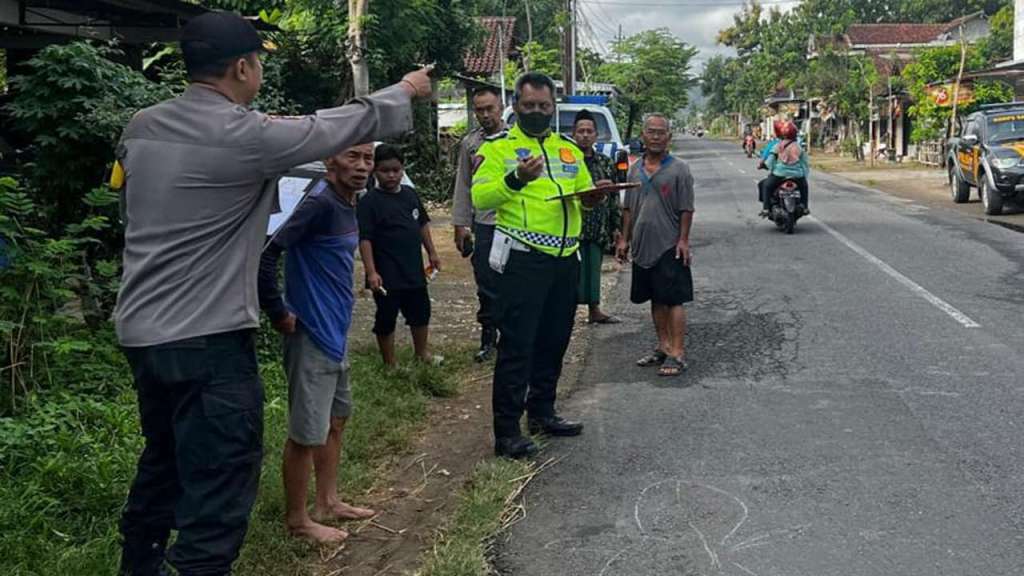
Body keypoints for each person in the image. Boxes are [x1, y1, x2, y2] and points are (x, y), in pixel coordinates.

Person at [111, 10, 430, 575]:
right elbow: (336, 126)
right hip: (207, 341)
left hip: (143, 335)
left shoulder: (141, 127)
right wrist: (406, 88)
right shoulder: (245, 136)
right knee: (220, 486)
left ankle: (140, 563)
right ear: (242, 66)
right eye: (258, 61)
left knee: (164, 461)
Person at [471, 72, 606, 459]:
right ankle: (508, 431)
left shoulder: (568, 149)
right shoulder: (498, 148)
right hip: (523, 259)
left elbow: (581, 191)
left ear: (553, 108)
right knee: (517, 345)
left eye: (543, 106)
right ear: (515, 106)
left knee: (554, 340)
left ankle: (543, 412)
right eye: (528, 106)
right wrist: (514, 179)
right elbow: (481, 197)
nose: (536, 112)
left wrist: (592, 199)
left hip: (565, 260)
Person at [257, 144, 376, 545]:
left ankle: (327, 502)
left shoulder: (346, 202)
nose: (361, 167)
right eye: (352, 157)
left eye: (367, 159)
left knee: (336, 421)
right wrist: (277, 310)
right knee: (307, 432)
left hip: (335, 332)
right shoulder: (319, 203)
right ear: (330, 160)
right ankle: (298, 520)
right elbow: (267, 253)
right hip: (310, 332)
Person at [616, 114, 695, 378]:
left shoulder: (679, 169)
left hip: (669, 244)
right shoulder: (635, 168)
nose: (656, 136)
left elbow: (686, 208)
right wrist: (624, 239)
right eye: (651, 132)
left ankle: (678, 352)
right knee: (655, 299)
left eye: (662, 132)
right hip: (641, 246)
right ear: (643, 135)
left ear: (669, 137)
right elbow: (628, 208)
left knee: (673, 299)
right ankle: (663, 346)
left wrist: (683, 240)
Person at [358, 144, 441, 367]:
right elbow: (365, 239)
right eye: (385, 170)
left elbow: (422, 224)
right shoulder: (369, 202)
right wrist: (371, 272)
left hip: (413, 268)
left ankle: (421, 353)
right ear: (375, 171)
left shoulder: (410, 195)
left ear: (403, 169)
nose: (391, 175)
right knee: (386, 316)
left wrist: (432, 252)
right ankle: (390, 363)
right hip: (386, 272)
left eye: (396, 170)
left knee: (421, 311)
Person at [452, 85, 506, 362]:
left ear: (501, 107)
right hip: (484, 224)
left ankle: (512, 337)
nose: (485, 115)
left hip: (513, 225)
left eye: (490, 108)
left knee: (512, 283)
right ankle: (488, 338)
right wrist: (460, 224)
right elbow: (463, 185)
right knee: (485, 282)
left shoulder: (516, 140)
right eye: (479, 110)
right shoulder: (471, 144)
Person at [572, 109, 621, 324]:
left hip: (598, 225)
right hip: (574, 226)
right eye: (580, 131)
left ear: (596, 135)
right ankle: (567, 312)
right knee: (572, 273)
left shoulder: (605, 162)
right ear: (573, 134)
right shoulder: (568, 161)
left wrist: (616, 226)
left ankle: (595, 310)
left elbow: (614, 197)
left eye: (589, 131)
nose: (584, 135)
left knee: (594, 268)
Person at [759, 119, 809, 216]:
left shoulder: (778, 146)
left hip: (779, 175)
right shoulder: (799, 147)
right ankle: (805, 207)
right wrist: (804, 176)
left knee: (766, 185)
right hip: (797, 176)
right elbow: (805, 164)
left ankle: (766, 209)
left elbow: (770, 161)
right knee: (804, 187)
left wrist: (763, 166)